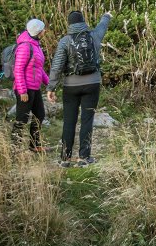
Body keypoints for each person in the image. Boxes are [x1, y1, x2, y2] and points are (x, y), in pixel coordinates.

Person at [47, 10, 112, 167]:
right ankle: (84, 157)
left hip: (71, 86)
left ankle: (65, 158)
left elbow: (56, 66)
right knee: (87, 120)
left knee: (69, 121)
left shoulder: (65, 41)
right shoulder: (94, 36)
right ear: (83, 22)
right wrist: (107, 16)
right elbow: (103, 26)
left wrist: (51, 87)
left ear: (69, 24)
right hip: (92, 84)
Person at [12, 18, 50, 154]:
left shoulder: (36, 45)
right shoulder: (25, 46)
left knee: (39, 115)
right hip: (25, 89)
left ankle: (35, 145)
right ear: (38, 31)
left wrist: (49, 83)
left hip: (35, 88)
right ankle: (14, 148)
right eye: (43, 29)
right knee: (22, 119)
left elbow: (39, 68)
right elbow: (18, 70)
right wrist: (22, 91)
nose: (45, 31)